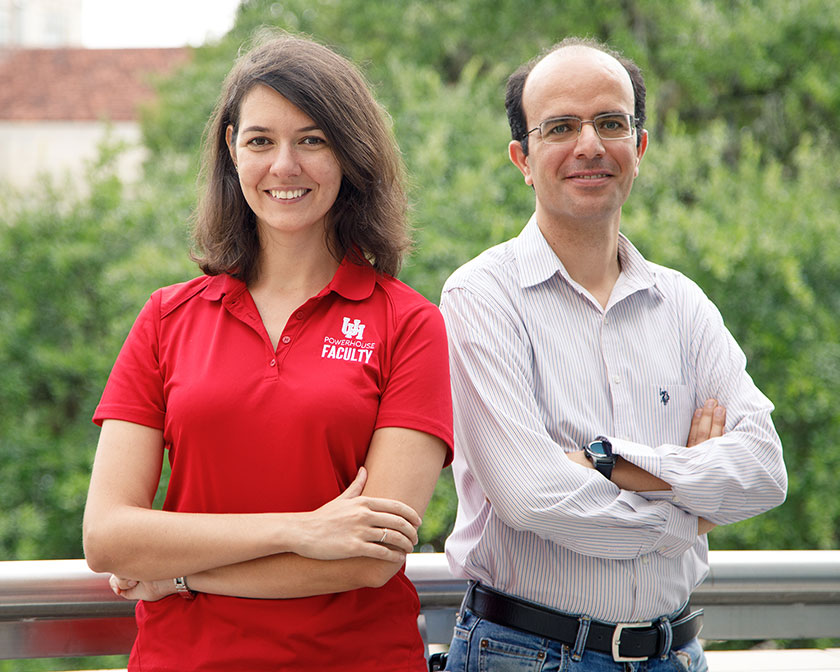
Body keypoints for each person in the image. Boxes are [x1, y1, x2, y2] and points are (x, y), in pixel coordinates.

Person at [83, 32, 453, 671]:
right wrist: (299, 530)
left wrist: (180, 576)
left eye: (312, 139)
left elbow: (369, 557)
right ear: (231, 151)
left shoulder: (410, 324)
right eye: (260, 141)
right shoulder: (166, 318)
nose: (285, 165)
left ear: (350, 152)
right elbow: (108, 536)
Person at [439, 37, 787, 671]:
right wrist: (690, 513)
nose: (590, 146)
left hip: (675, 654)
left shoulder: (682, 305)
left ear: (641, 147)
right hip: (526, 654)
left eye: (610, 123)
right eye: (561, 127)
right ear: (523, 157)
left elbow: (764, 469)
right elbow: (531, 497)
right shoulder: (482, 296)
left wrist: (606, 461)